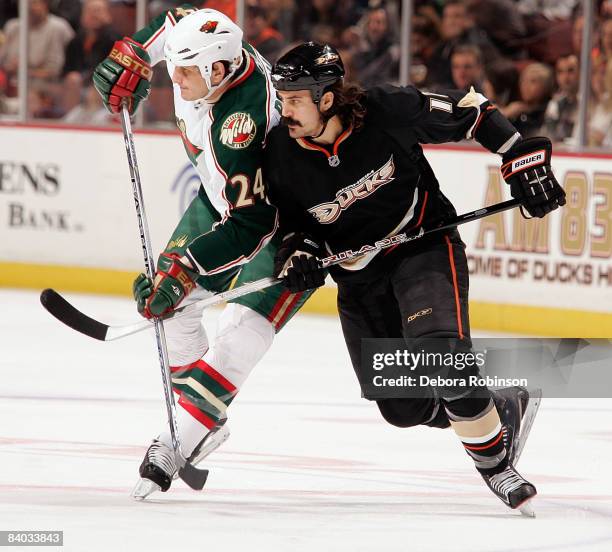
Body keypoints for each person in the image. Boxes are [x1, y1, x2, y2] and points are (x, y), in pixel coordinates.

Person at [264, 42, 565, 512]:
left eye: (296, 98)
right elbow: (290, 225)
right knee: (402, 407)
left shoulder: (385, 111)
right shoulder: (280, 153)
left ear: (327, 98)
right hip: (358, 277)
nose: (286, 110)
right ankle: (498, 404)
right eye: (282, 98)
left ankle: (497, 467)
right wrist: (299, 254)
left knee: (443, 355)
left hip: (422, 244)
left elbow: (472, 110)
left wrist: (520, 158)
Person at [92, 6, 313, 500]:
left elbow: (251, 223)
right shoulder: (212, 50)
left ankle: (180, 438)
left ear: (217, 70)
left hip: (283, 225)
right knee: (166, 307)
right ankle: (202, 419)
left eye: (185, 72)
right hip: (221, 202)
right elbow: (178, 21)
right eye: (173, 69)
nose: (175, 80)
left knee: (238, 336)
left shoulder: (243, 123)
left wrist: (186, 269)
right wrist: (132, 54)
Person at [542, 54, 580, 144]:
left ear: (581, 72)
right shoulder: (554, 103)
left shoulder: (589, 102)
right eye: (560, 72)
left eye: (570, 71)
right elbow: (548, 135)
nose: (565, 77)